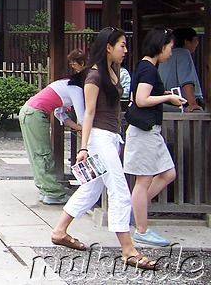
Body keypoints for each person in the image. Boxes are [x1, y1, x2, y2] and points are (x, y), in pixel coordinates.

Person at [50, 27, 159, 271]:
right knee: (119, 190)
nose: (125, 50)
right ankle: (128, 249)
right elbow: (88, 113)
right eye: (121, 45)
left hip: (110, 138)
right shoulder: (94, 76)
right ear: (108, 47)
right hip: (99, 138)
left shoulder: (113, 72)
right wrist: (84, 147)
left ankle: (59, 231)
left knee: (91, 189)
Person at [124, 28, 183, 247]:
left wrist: (167, 97)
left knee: (168, 173)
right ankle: (141, 229)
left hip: (149, 131)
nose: (171, 52)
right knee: (144, 180)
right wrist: (167, 98)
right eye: (170, 47)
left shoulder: (145, 66)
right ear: (161, 46)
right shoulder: (148, 69)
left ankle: (136, 210)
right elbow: (141, 99)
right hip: (144, 131)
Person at [19, 72, 84, 204]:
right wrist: (83, 128)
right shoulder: (75, 88)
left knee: (37, 154)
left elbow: (59, 113)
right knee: (43, 153)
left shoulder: (65, 83)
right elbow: (83, 116)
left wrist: (78, 128)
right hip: (36, 113)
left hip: (29, 112)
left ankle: (45, 189)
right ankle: (53, 193)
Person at [158, 27, 204, 112]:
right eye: (195, 40)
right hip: (183, 103)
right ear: (186, 42)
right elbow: (186, 81)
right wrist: (192, 104)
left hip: (166, 103)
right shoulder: (183, 53)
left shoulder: (164, 57)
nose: (197, 43)